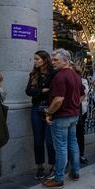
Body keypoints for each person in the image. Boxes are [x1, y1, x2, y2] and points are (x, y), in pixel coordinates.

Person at [42, 49, 85, 189]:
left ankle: (59, 178)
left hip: (61, 117)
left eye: (56, 60)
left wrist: (48, 112)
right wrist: (73, 104)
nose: (53, 62)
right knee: (73, 143)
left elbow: (58, 100)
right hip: (73, 115)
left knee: (61, 148)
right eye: (52, 59)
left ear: (65, 61)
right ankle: (76, 172)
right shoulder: (76, 76)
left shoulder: (60, 76)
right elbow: (82, 95)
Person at [25, 50, 56, 180]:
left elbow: (55, 91)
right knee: (38, 140)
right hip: (36, 108)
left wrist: (38, 92)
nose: (35, 61)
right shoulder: (34, 74)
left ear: (45, 60)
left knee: (49, 140)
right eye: (34, 59)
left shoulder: (54, 73)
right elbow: (28, 91)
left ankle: (53, 166)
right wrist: (42, 90)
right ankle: (40, 167)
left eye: (37, 59)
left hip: (50, 109)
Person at [71, 63, 89, 164]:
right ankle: (71, 156)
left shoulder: (83, 81)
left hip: (81, 110)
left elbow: (84, 92)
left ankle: (81, 154)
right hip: (70, 111)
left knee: (79, 133)